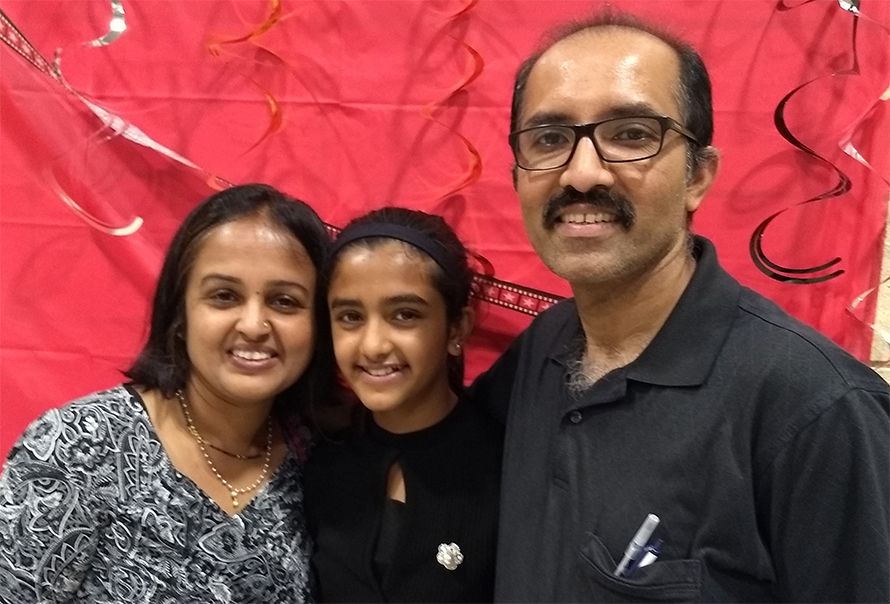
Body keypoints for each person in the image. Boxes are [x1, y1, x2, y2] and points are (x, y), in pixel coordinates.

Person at [469, 9, 890, 603]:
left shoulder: (816, 413)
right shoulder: (545, 349)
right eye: (549, 139)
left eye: (632, 135)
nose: (582, 172)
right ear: (517, 174)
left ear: (699, 175)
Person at [0, 184, 335, 602]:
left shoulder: (321, 461)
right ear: (180, 314)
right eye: (224, 296)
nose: (253, 324)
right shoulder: (78, 447)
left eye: (284, 302)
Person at [304, 207, 502, 603]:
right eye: (350, 317)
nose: (374, 345)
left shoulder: (507, 470)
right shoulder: (320, 463)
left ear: (456, 328)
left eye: (405, 315)